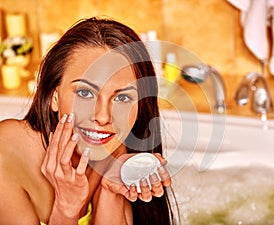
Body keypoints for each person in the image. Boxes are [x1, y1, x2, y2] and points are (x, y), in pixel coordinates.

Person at [0, 17, 178, 224]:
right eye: (85, 93)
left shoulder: (116, 147)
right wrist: (66, 208)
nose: (103, 117)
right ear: (54, 96)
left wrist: (110, 192)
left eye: (122, 98)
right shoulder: (7, 151)